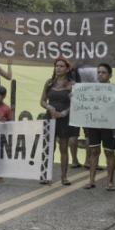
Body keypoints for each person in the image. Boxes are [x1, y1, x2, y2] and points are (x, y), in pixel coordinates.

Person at [39, 57, 78, 185]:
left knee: (63, 147)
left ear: (67, 69)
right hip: (50, 117)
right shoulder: (49, 82)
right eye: (57, 66)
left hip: (65, 118)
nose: (58, 68)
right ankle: (45, 175)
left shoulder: (72, 85)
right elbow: (42, 101)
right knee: (49, 147)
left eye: (62, 66)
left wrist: (63, 113)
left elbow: (76, 103)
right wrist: (49, 107)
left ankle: (64, 177)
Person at [82, 63, 115, 191]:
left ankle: (110, 182)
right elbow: (82, 101)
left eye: (103, 72)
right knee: (94, 152)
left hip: (109, 125)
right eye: (98, 72)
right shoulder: (90, 89)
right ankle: (91, 180)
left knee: (109, 152)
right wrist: (75, 97)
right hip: (94, 124)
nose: (100, 74)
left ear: (110, 75)